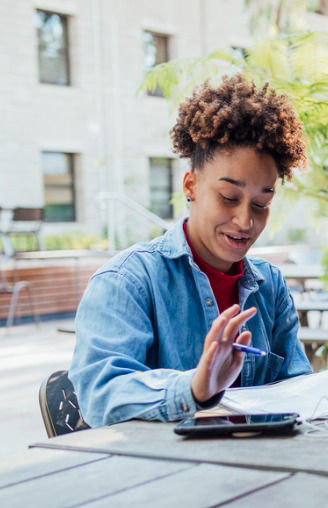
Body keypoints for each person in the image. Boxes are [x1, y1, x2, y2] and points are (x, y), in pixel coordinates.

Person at [69, 75, 312, 427]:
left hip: (263, 468)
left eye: (261, 203)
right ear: (191, 186)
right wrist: (193, 389)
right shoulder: (128, 281)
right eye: (228, 198)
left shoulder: (270, 286)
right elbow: (101, 393)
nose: (245, 221)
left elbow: (296, 388)